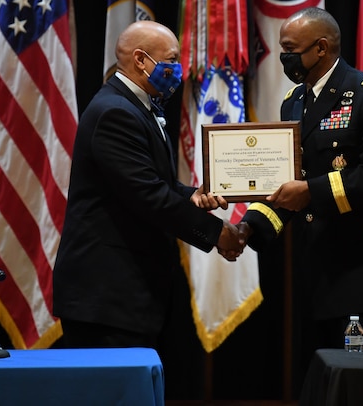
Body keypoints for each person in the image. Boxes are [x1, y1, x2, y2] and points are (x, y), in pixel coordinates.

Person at [240, 6, 363, 395]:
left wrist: (312, 192)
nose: (282, 56)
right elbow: (287, 181)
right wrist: (247, 228)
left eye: (289, 49)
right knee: (322, 385)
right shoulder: (293, 102)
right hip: (316, 269)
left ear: (320, 48)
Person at [52, 20, 247, 351]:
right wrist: (218, 234)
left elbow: (157, 184)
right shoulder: (115, 112)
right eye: (171, 60)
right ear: (140, 60)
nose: (177, 69)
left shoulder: (134, 107)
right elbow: (149, 197)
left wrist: (192, 196)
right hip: (106, 297)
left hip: (124, 295)